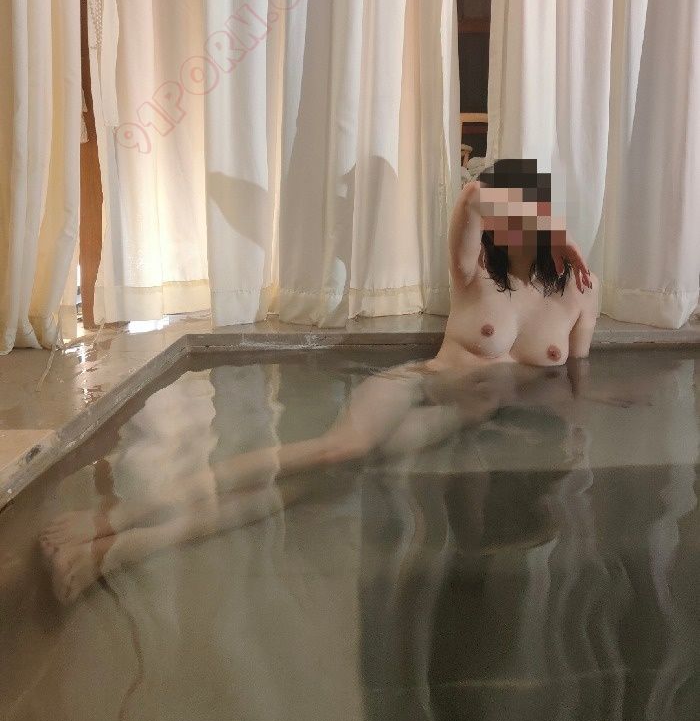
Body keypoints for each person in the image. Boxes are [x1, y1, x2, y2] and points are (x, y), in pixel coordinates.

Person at [40, 159, 598, 603]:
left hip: (455, 418)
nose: (517, 227)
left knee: (309, 487)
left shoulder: (580, 292)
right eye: (513, 214)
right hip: (416, 385)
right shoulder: (474, 274)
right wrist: (547, 226)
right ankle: (111, 518)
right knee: (338, 450)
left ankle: (118, 552)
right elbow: (472, 198)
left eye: (529, 215)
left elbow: (577, 373)